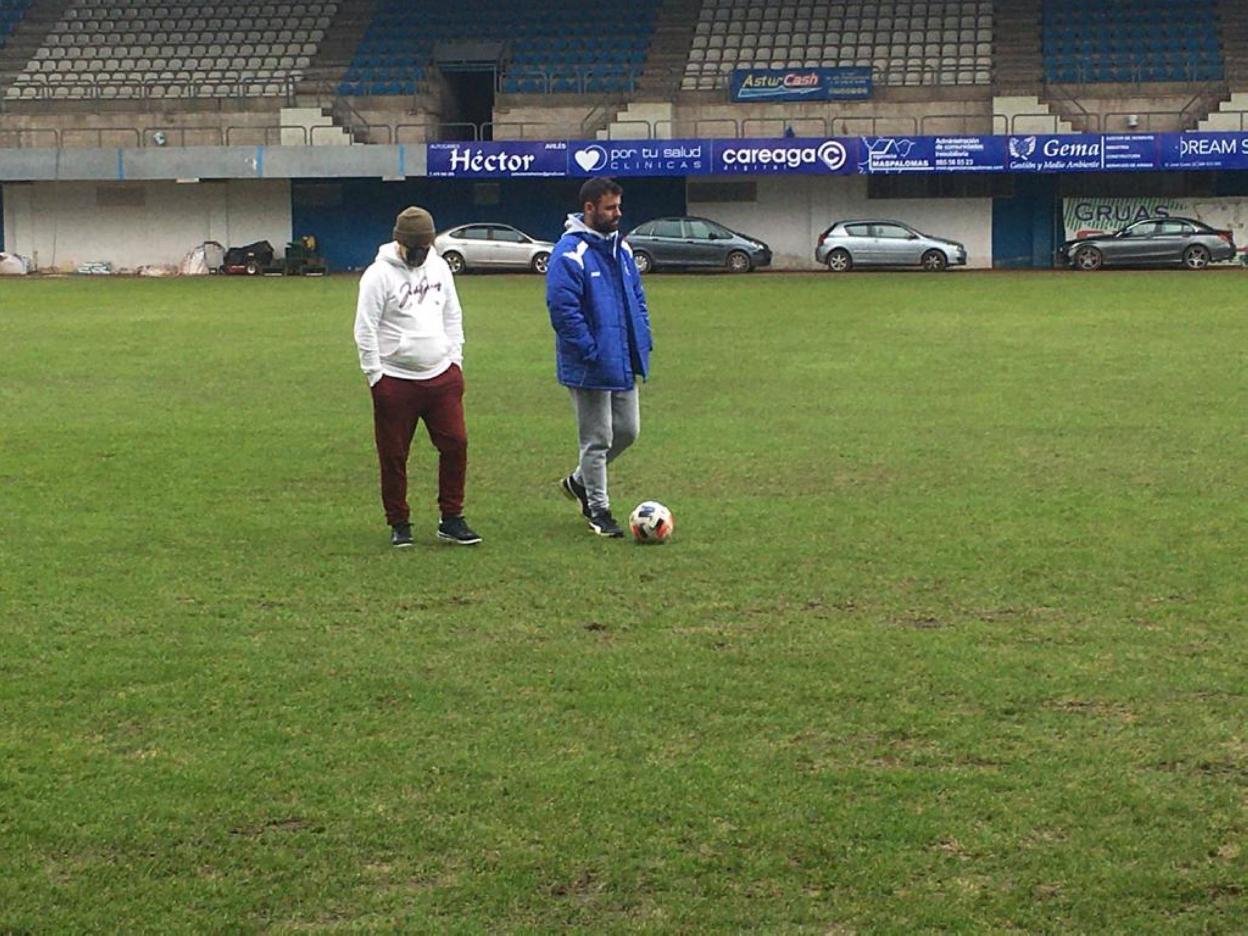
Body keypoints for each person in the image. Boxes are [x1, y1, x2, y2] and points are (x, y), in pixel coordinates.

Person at [354, 206, 482, 548]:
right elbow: (364, 329)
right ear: (400, 244)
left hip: (442, 377)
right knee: (394, 455)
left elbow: (452, 314)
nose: (419, 256)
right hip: (395, 380)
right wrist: (375, 377)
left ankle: (451, 517)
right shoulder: (377, 276)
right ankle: (399, 522)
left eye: (425, 249)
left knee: (456, 444)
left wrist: (455, 361)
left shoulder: (439, 267)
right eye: (414, 250)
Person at [546, 177, 654, 538]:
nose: (617, 214)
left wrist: (643, 334)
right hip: (590, 362)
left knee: (628, 431)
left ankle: (579, 481)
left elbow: (637, 296)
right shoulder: (569, 252)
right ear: (589, 208)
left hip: (623, 355)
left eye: (618, 206)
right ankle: (599, 509)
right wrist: (588, 350)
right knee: (597, 439)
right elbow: (563, 310)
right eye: (610, 208)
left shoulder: (621, 249)